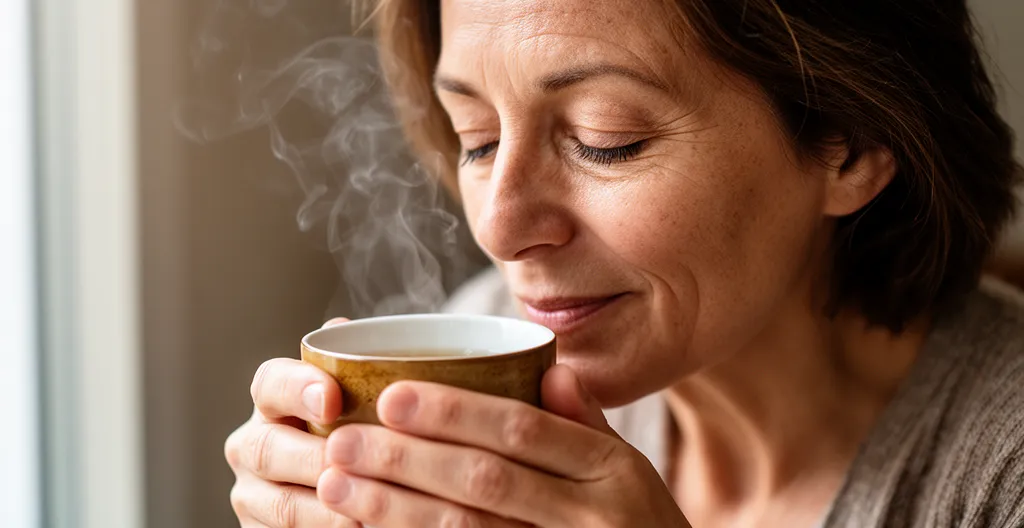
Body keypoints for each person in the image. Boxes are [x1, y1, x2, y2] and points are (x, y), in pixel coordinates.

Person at [224, 0, 1024, 526]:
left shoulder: (1001, 473)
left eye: (606, 140)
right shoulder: (491, 343)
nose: (500, 229)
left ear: (851, 145)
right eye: (479, 139)